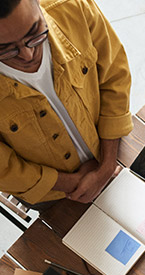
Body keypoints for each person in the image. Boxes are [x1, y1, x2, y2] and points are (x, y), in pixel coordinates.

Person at [0, 0, 133, 206]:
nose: (28, 55)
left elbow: (114, 72)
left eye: (35, 33)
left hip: (112, 148)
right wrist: (72, 183)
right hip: (53, 194)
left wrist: (106, 166)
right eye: (6, 50)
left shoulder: (71, 6)